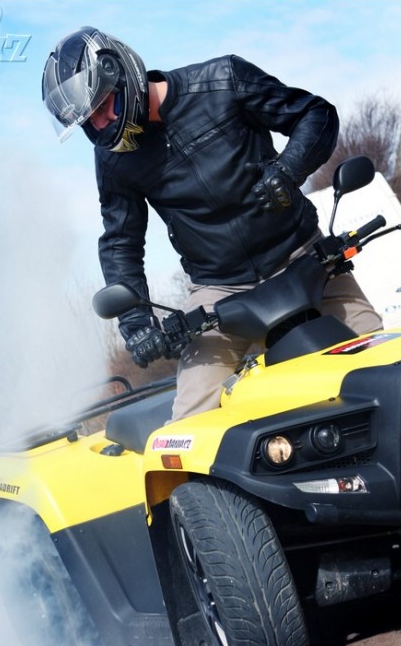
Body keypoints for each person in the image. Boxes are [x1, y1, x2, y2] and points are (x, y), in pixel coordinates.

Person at [42, 27, 382, 421]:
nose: (104, 123)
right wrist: (136, 325)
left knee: (387, 365)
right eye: (91, 121)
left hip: (305, 258)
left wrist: (289, 169)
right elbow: (121, 243)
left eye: (105, 105)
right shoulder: (113, 158)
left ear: (122, 72)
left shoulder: (223, 80)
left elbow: (315, 114)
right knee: (189, 425)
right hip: (219, 291)